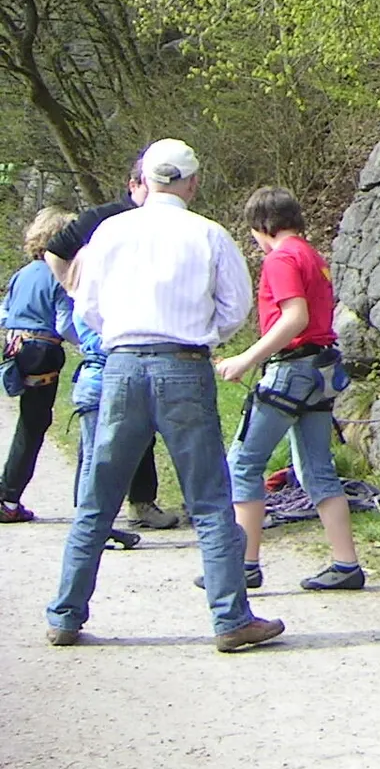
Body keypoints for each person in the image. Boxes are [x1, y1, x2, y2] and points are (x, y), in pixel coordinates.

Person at [47, 138, 284, 651]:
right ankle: (230, 618)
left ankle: (65, 613)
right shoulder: (208, 233)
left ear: (146, 180)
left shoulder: (109, 232)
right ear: (193, 183)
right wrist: (201, 334)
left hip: (123, 365)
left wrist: (122, 333)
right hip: (183, 364)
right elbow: (236, 305)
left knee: (98, 496)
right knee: (209, 497)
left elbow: (85, 304)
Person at [213, 187, 364, 592]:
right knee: (316, 469)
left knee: (243, 463)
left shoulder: (280, 258)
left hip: (291, 371)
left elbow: (294, 318)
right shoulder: (313, 256)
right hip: (322, 371)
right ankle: (346, 564)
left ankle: (244, 565)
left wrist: (245, 359)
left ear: (263, 227)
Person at [45, 157, 178, 531]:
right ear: (134, 183)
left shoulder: (166, 220)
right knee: (98, 446)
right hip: (109, 352)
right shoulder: (105, 220)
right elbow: (55, 252)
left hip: (134, 345)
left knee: (133, 435)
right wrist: (75, 290)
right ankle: (91, 520)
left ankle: (133, 505)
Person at [0, 208, 78, 522]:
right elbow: (65, 324)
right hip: (42, 351)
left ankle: (8, 493)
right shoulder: (58, 276)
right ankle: (8, 498)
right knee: (33, 426)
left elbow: (5, 312)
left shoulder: (22, 273)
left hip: (15, 347)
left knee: (29, 422)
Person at [54, 294, 141, 549]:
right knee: (97, 458)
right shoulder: (104, 304)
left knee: (93, 456)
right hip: (103, 379)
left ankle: (93, 525)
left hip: (90, 379)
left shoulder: (82, 303)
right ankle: (91, 528)